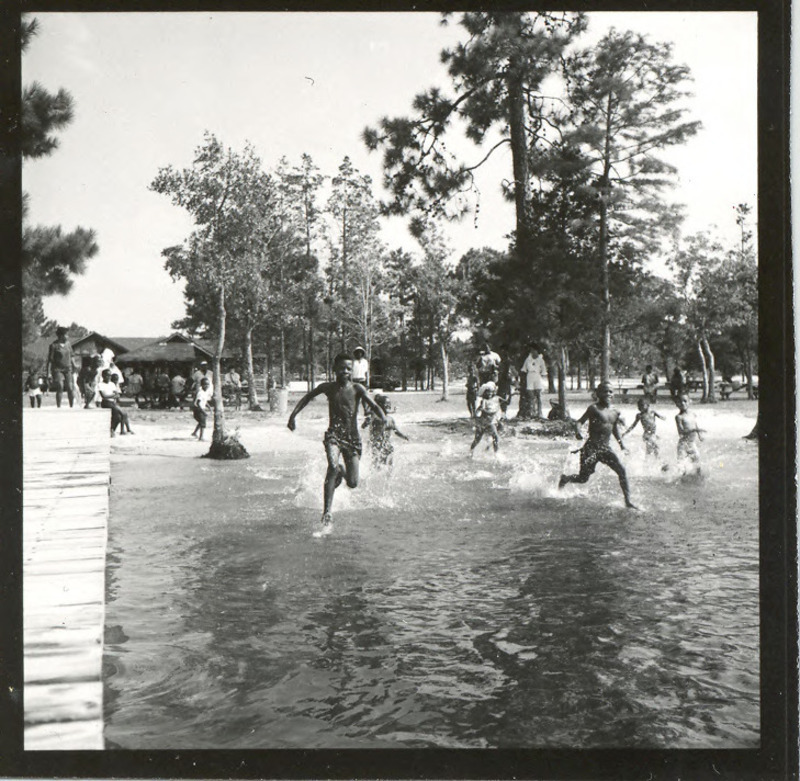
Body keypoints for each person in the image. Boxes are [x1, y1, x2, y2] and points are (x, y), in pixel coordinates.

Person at [287, 352, 386, 535]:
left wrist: (384, 418)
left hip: (353, 439)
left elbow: (374, 406)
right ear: (334, 369)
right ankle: (327, 512)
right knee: (332, 466)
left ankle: (341, 470)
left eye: (348, 368)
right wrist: (293, 415)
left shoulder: (358, 388)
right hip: (334, 435)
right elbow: (307, 398)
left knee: (353, 483)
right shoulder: (328, 388)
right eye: (341, 368)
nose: (345, 372)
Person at [558, 381, 636, 508]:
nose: (608, 394)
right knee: (583, 478)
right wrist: (578, 432)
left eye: (610, 391)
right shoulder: (593, 409)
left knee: (622, 471)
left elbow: (615, 430)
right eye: (605, 391)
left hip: (605, 449)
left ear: (614, 394)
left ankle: (628, 501)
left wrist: (622, 445)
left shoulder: (616, 412)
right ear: (598, 393)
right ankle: (565, 479)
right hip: (591, 448)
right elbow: (579, 422)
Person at [363, 394, 409, 467]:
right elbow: (365, 424)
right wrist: (366, 422)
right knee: (377, 465)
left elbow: (396, 431)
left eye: (389, 404)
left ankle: (388, 476)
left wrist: (404, 436)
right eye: (386, 404)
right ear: (380, 406)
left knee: (390, 464)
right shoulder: (376, 418)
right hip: (377, 445)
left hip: (387, 445)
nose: (388, 405)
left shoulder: (390, 419)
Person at [470, 371, 503, 455]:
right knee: (478, 439)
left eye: (491, 392)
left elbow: (504, 403)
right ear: (484, 393)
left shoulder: (496, 399)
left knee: (495, 437)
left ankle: (496, 453)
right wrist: (480, 411)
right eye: (487, 392)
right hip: (485, 421)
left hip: (492, 421)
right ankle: (471, 452)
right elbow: (481, 410)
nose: (489, 393)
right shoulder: (484, 401)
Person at [45, 326, 76, 408]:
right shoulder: (53, 345)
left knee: (70, 387)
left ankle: (71, 406)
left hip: (68, 368)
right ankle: (59, 406)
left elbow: (72, 356)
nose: (68, 337)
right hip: (57, 369)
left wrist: (75, 365)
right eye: (66, 335)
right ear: (61, 335)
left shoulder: (68, 344)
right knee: (60, 386)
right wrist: (48, 373)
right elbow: (50, 361)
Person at [675, 393, 705, 475]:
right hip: (683, 444)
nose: (683, 403)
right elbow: (681, 432)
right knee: (682, 467)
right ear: (676, 404)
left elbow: (695, 423)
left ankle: (698, 480)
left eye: (685, 401)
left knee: (697, 462)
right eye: (680, 402)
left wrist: (699, 435)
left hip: (692, 443)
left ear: (689, 402)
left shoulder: (692, 414)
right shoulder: (679, 417)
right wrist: (694, 430)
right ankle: (680, 481)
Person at [98, 369, 133, 436]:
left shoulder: (112, 384)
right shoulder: (101, 384)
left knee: (119, 417)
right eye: (107, 375)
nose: (109, 377)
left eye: (110, 375)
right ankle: (117, 431)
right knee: (122, 413)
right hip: (106, 403)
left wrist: (112, 396)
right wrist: (113, 396)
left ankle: (114, 430)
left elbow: (117, 395)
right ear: (103, 376)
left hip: (112, 402)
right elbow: (104, 396)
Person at [520, 343, 547, 420]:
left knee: (538, 395)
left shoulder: (541, 360)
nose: (532, 352)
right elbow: (524, 369)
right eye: (531, 350)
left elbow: (544, 371)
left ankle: (539, 412)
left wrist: (543, 379)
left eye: (534, 350)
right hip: (530, 376)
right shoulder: (528, 359)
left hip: (537, 376)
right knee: (530, 396)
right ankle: (532, 412)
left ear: (537, 351)